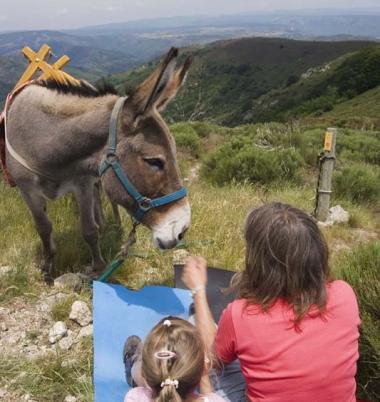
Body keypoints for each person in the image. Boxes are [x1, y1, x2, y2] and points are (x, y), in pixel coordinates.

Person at [182, 202, 361, 402]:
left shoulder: (242, 316)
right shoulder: (345, 294)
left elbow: (212, 360)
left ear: (259, 261)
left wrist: (198, 290)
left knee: (192, 329)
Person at [123, 316, 227, 402]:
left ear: (145, 373)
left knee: (138, 372)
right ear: (205, 368)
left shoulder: (135, 397)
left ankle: (133, 369)